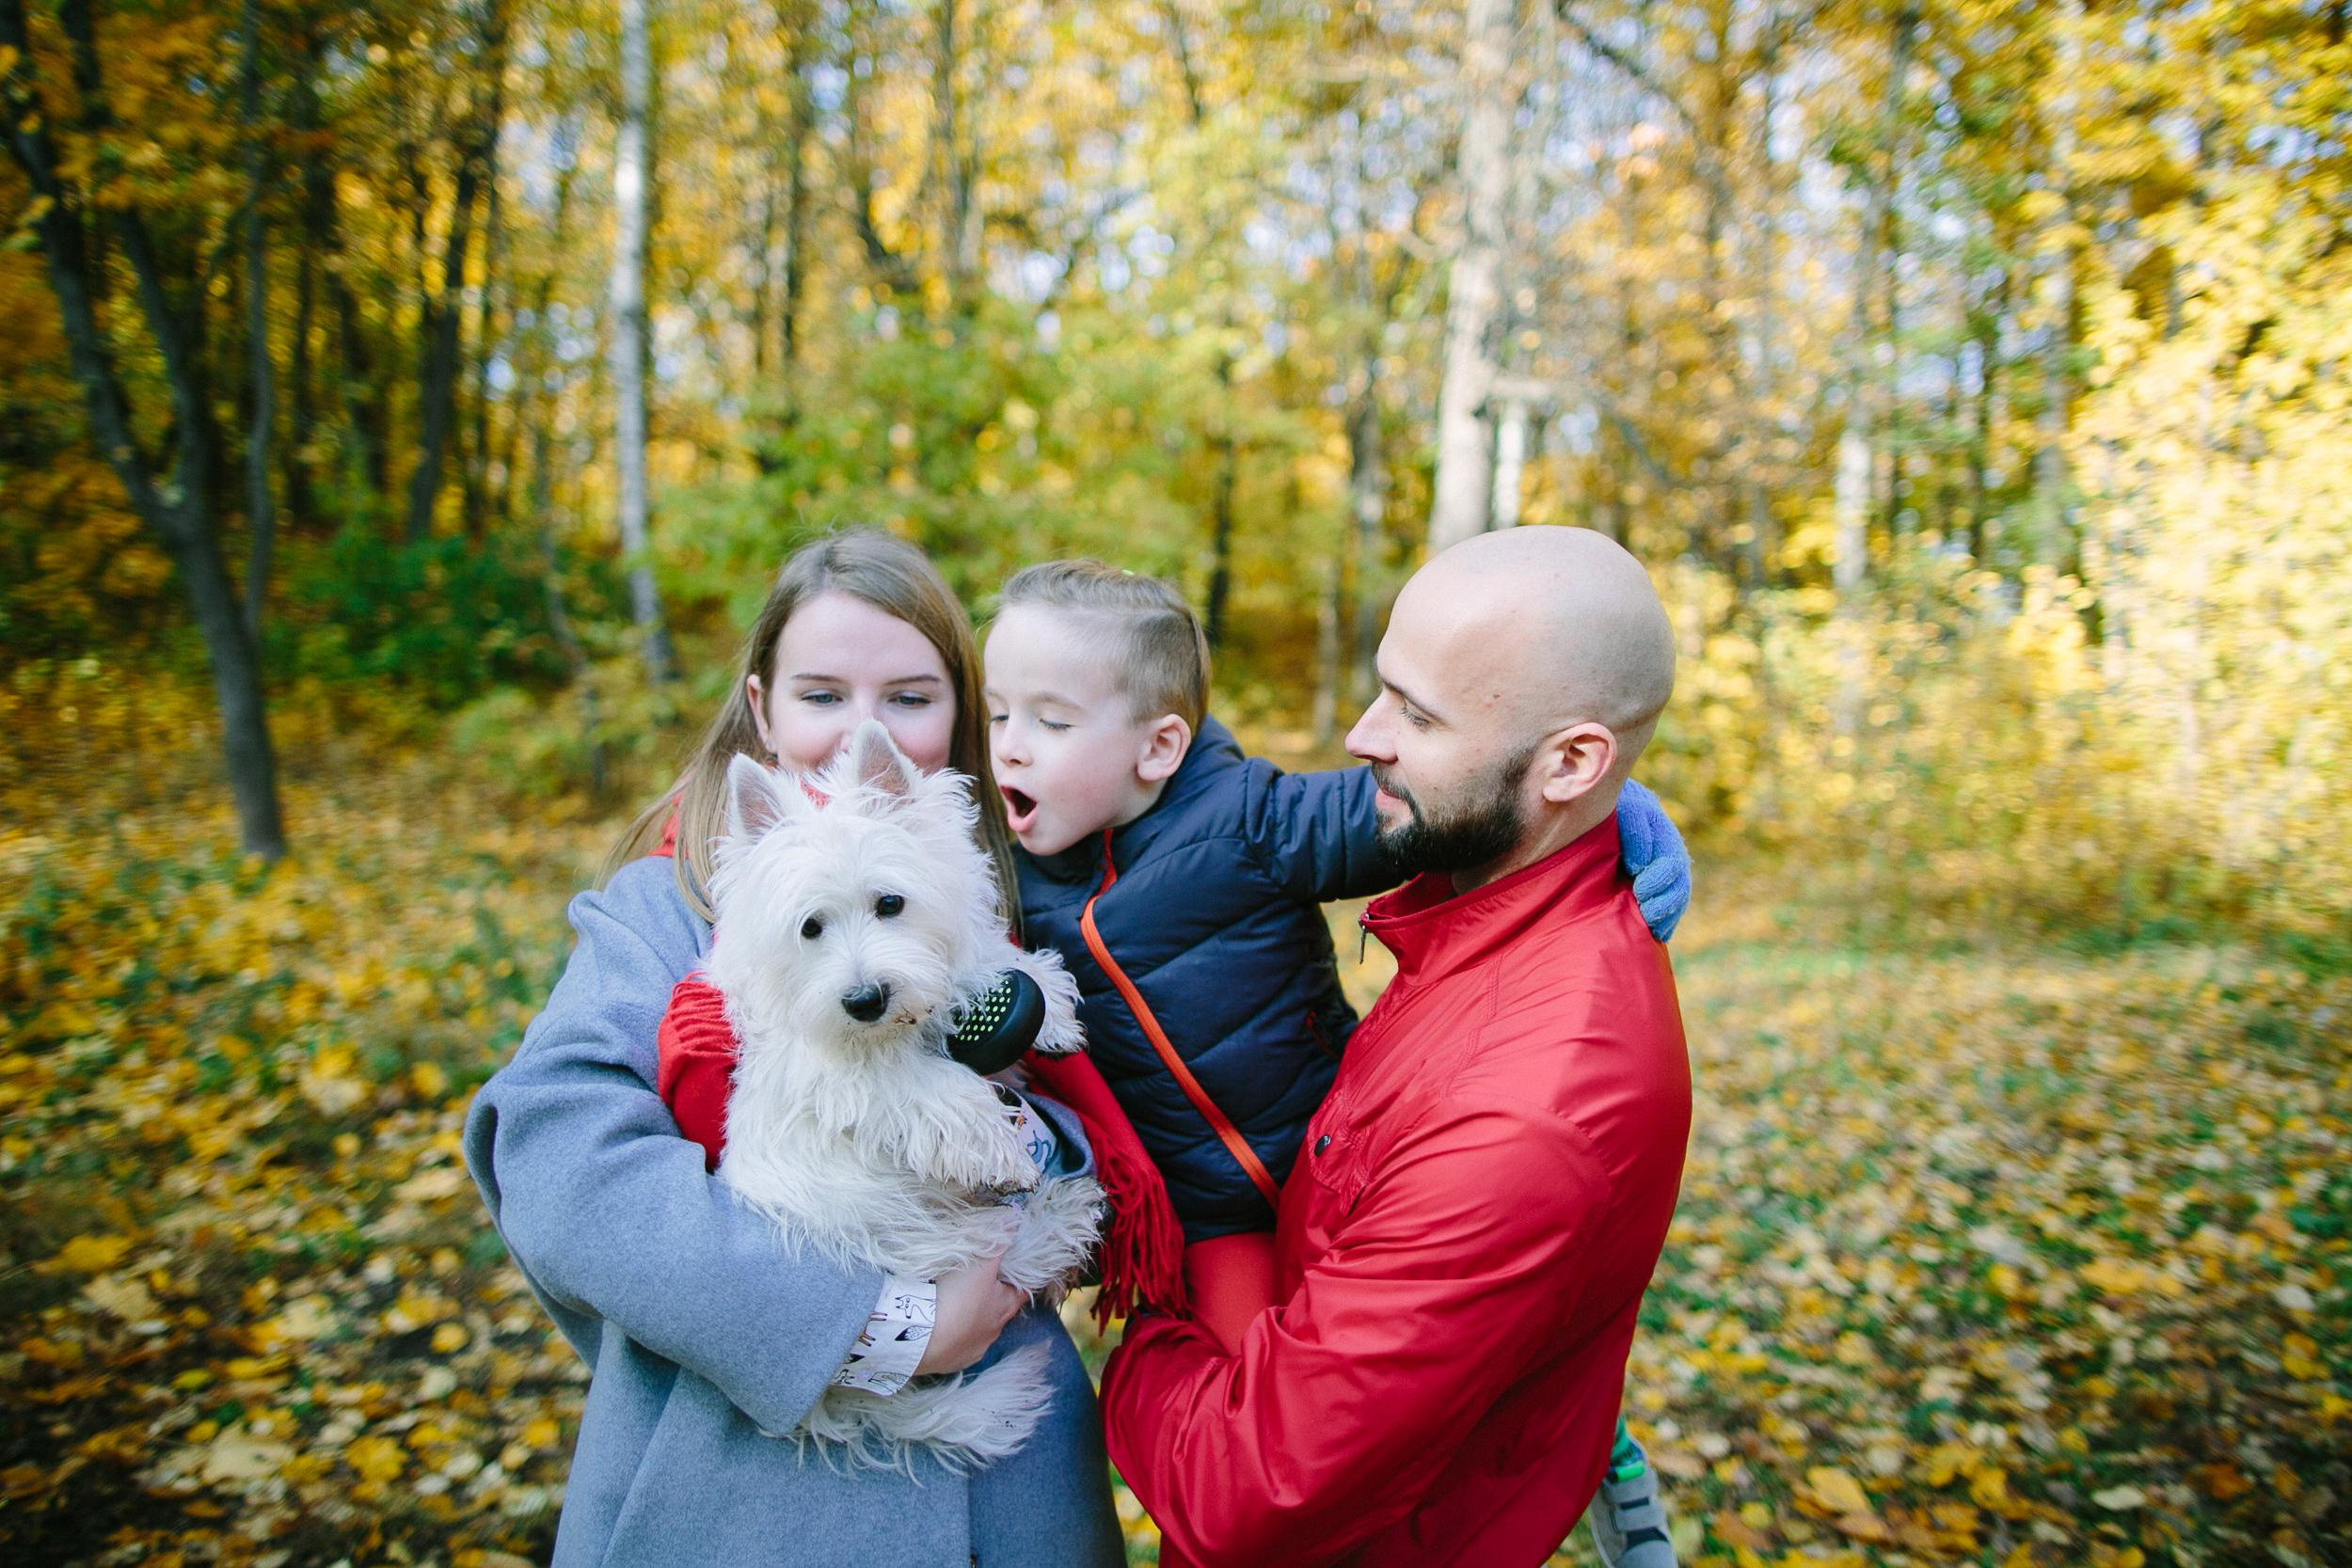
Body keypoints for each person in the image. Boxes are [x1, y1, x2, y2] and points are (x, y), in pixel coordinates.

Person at [462, 531, 1124, 1568]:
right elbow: (565, 1169)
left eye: (910, 697)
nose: (865, 729)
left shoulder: (1001, 889)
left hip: (1010, 1486)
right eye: (822, 694)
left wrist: (1024, 1142)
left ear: (960, 717)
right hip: (741, 1491)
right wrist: (882, 1324)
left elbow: (1093, 1105)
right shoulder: (660, 910)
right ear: (762, 709)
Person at [1097, 525, 1694, 1568]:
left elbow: (1250, 1492)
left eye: (1418, 715)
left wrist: (1148, 1308)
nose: (1362, 734)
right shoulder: (1486, 884)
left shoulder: (1527, 1112)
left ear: (1571, 762)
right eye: (1384, 689)